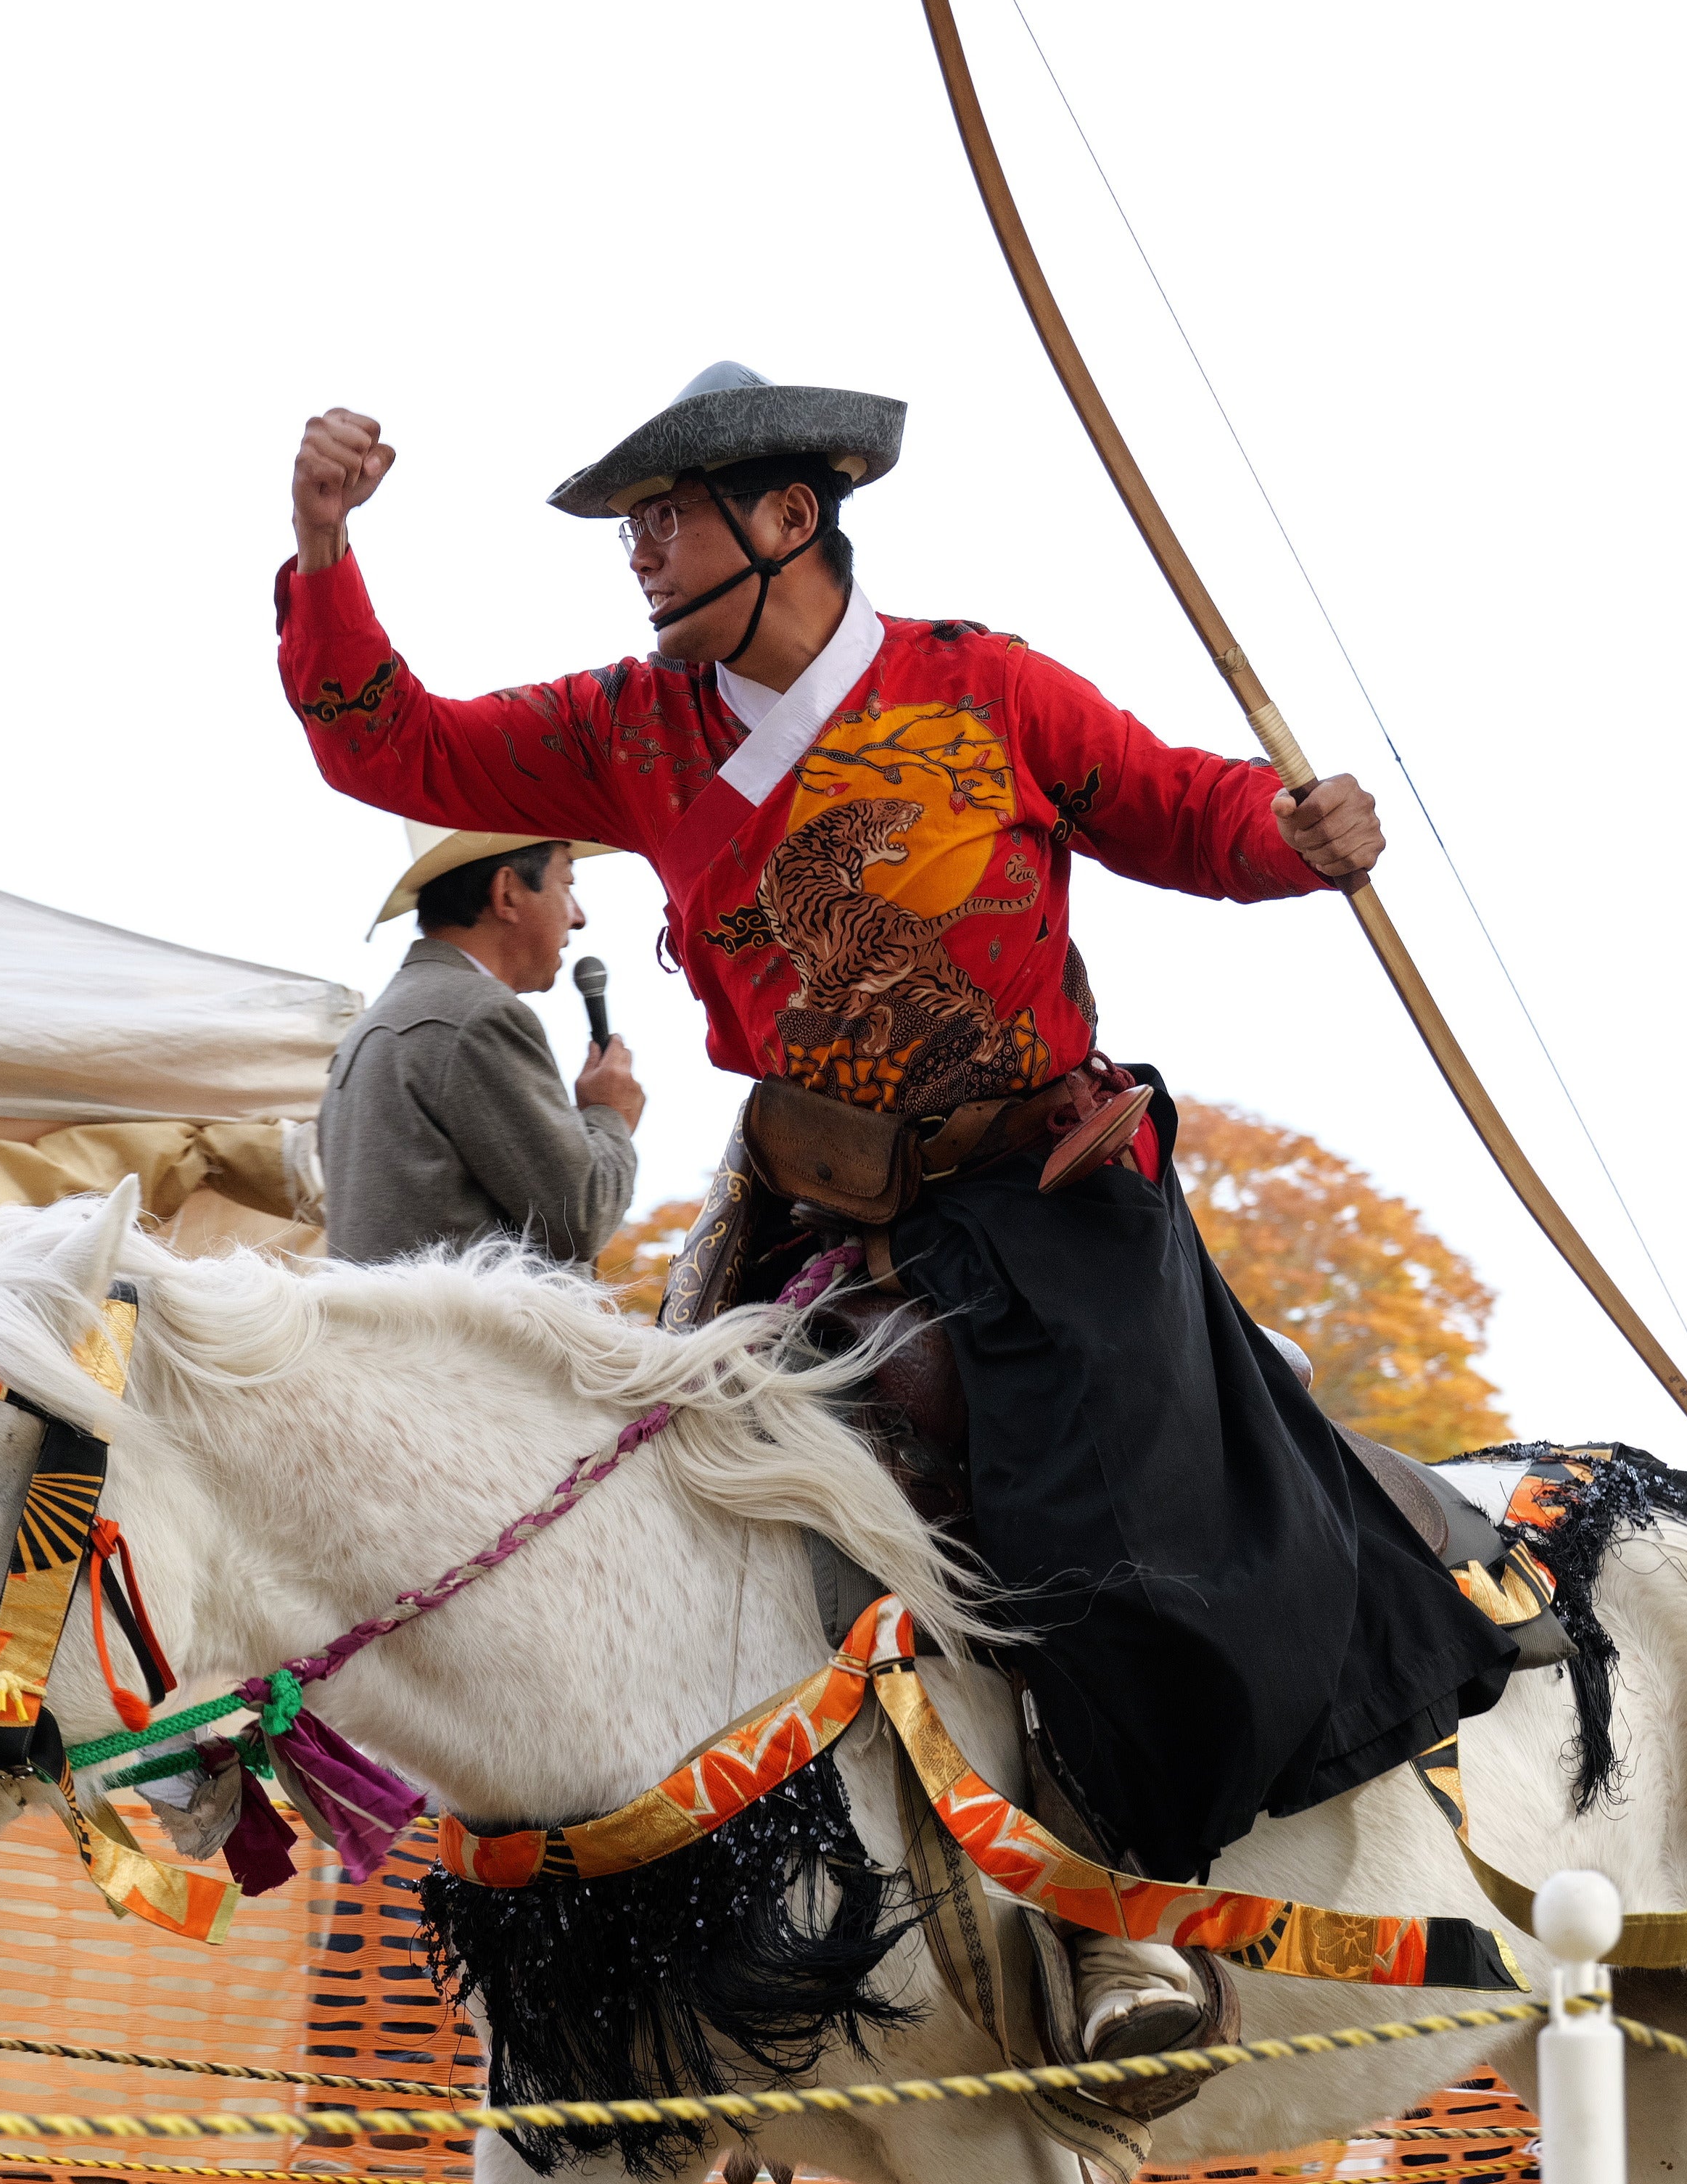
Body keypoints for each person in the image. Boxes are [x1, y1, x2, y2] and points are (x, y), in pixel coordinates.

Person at [278, 359, 1517, 2052]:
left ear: (788, 518)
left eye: (666, 521)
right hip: (809, 1206)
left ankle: (1124, 1923)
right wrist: (325, 545)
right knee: (668, 1513)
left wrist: (1301, 829)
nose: (636, 555)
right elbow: (396, 743)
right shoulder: (629, 728)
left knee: (1094, 1538)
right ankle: (720, 1931)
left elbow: (1180, 808)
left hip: (1040, 1196)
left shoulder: (983, 688)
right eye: (628, 526)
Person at [319, 821, 643, 1270]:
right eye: (567, 884)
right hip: (467, 1340)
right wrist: (610, 1116)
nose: (579, 916)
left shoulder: (370, 1029)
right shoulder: (478, 1015)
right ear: (507, 892)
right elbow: (580, 1221)